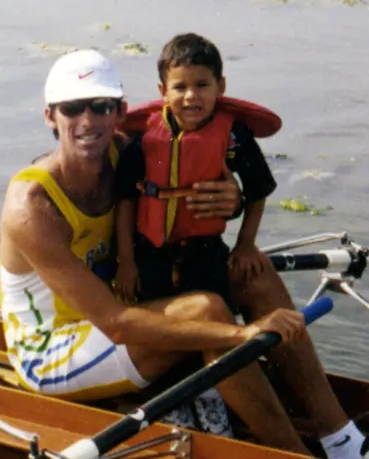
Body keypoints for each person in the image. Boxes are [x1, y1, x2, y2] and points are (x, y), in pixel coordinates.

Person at [0, 49, 369, 459]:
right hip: (54, 349)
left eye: (101, 106)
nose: (88, 121)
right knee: (207, 311)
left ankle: (345, 441)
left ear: (120, 112)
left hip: (116, 307)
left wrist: (233, 199)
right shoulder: (32, 208)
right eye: (73, 109)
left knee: (253, 273)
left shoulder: (129, 153)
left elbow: (198, 193)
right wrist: (241, 335)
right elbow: (113, 323)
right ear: (50, 116)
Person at [114, 33, 276, 307]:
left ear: (220, 86)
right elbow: (126, 201)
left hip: (206, 252)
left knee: (214, 313)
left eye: (202, 84)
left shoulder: (234, 137)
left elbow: (258, 190)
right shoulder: (144, 140)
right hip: (149, 254)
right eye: (180, 87)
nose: (191, 96)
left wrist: (245, 244)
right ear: (162, 91)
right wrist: (126, 263)